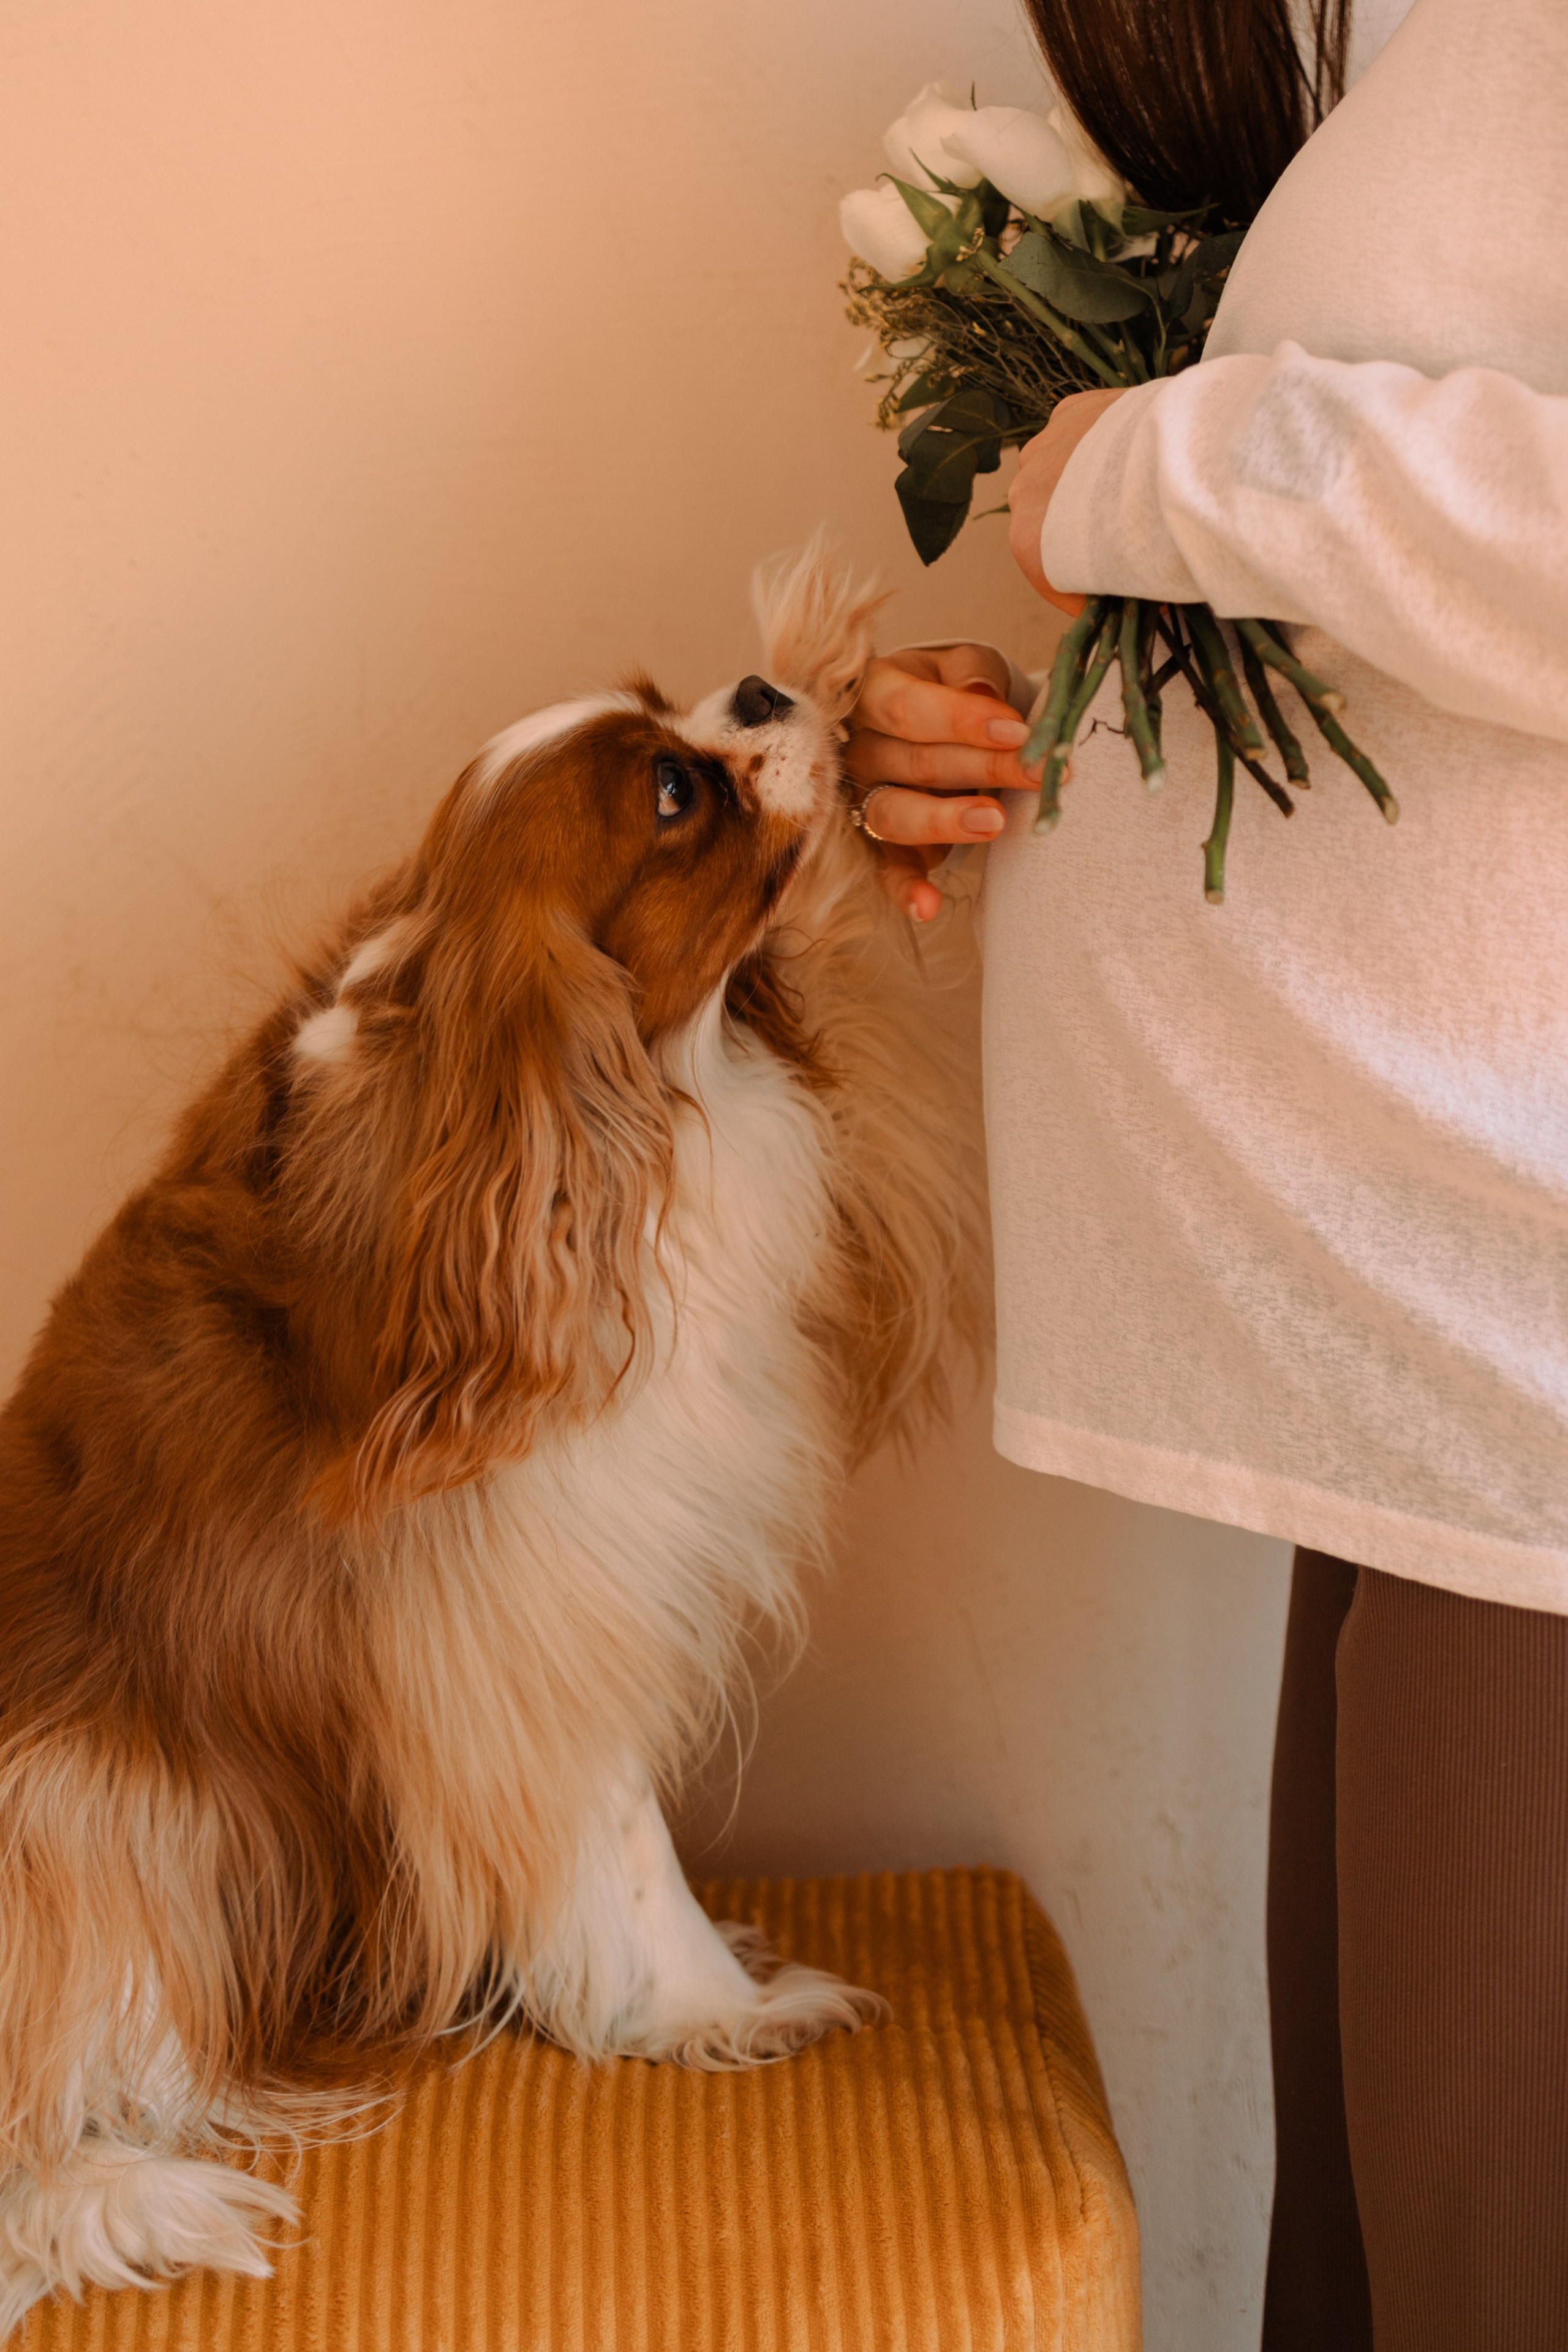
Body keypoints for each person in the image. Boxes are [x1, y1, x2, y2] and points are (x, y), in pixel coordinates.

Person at [842, 2, 1568, 2346]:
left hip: (1522, 1389)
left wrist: (1168, 476)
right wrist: (1047, 721)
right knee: (1362, 2283)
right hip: (1404, 1390)